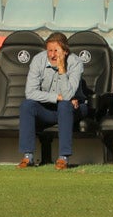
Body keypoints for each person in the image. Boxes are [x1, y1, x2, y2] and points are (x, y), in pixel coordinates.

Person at [17, 32, 86, 170]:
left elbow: (68, 95)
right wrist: (56, 97)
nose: (52, 55)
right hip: (48, 108)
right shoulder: (38, 60)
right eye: (49, 51)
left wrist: (62, 69)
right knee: (27, 105)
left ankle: (63, 158)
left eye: (56, 51)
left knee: (65, 105)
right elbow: (30, 92)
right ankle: (28, 157)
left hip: (74, 108)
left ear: (65, 51)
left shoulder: (75, 62)